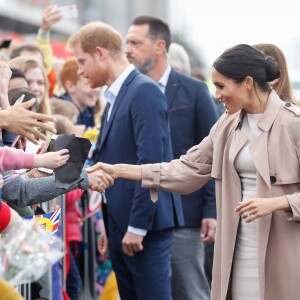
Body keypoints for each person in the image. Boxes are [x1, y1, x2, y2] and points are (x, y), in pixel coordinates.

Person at [88, 44, 300, 300]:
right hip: (236, 251)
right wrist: (120, 170)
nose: (217, 94)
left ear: (247, 82)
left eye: (222, 86)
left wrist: (279, 203)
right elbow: (186, 168)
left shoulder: (293, 124)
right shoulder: (226, 124)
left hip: (285, 254)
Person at [67, 21, 184, 300]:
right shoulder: (117, 96)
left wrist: (136, 226)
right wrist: (112, 226)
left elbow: (151, 165)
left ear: (100, 53)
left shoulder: (143, 91)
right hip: (123, 226)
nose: (80, 71)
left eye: (82, 61)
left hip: (144, 229)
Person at [125, 15, 218, 299]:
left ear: (159, 46)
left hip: (186, 217)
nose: (127, 49)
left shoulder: (194, 90)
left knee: (189, 291)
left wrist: (211, 210)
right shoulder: (128, 93)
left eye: (135, 42)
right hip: (140, 218)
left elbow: (214, 153)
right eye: (126, 42)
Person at [58, 57, 100, 128]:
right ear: (70, 86)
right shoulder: (62, 117)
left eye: (97, 83)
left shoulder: (88, 112)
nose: (96, 89)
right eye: (89, 83)